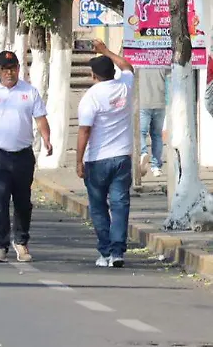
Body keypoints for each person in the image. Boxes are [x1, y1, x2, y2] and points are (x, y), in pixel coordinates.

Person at [0, 50, 52, 263]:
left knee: (23, 201)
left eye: (13, 68)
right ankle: (0, 246)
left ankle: (21, 242)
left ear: (18, 69)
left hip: (23, 155)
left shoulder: (30, 92)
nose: (9, 73)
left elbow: (41, 118)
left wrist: (47, 139)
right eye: (4, 69)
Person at [75, 40, 135, 268]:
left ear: (93, 76)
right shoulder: (124, 87)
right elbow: (128, 67)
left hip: (97, 160)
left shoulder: (90, 97)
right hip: (121, 158)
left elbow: (84, 131)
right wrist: (106, 51)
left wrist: (78, 160)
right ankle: (118, 252)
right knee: (120, 205)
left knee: (99, 207)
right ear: (113, 72)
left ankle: (106, 252)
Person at [136, 68, 167, 177]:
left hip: (143, 102)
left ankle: (143, 152)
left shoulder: (139, 62)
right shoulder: (162, 61)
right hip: (160, 103)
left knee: (141, 132)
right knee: (157, 135)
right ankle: (156, 167)